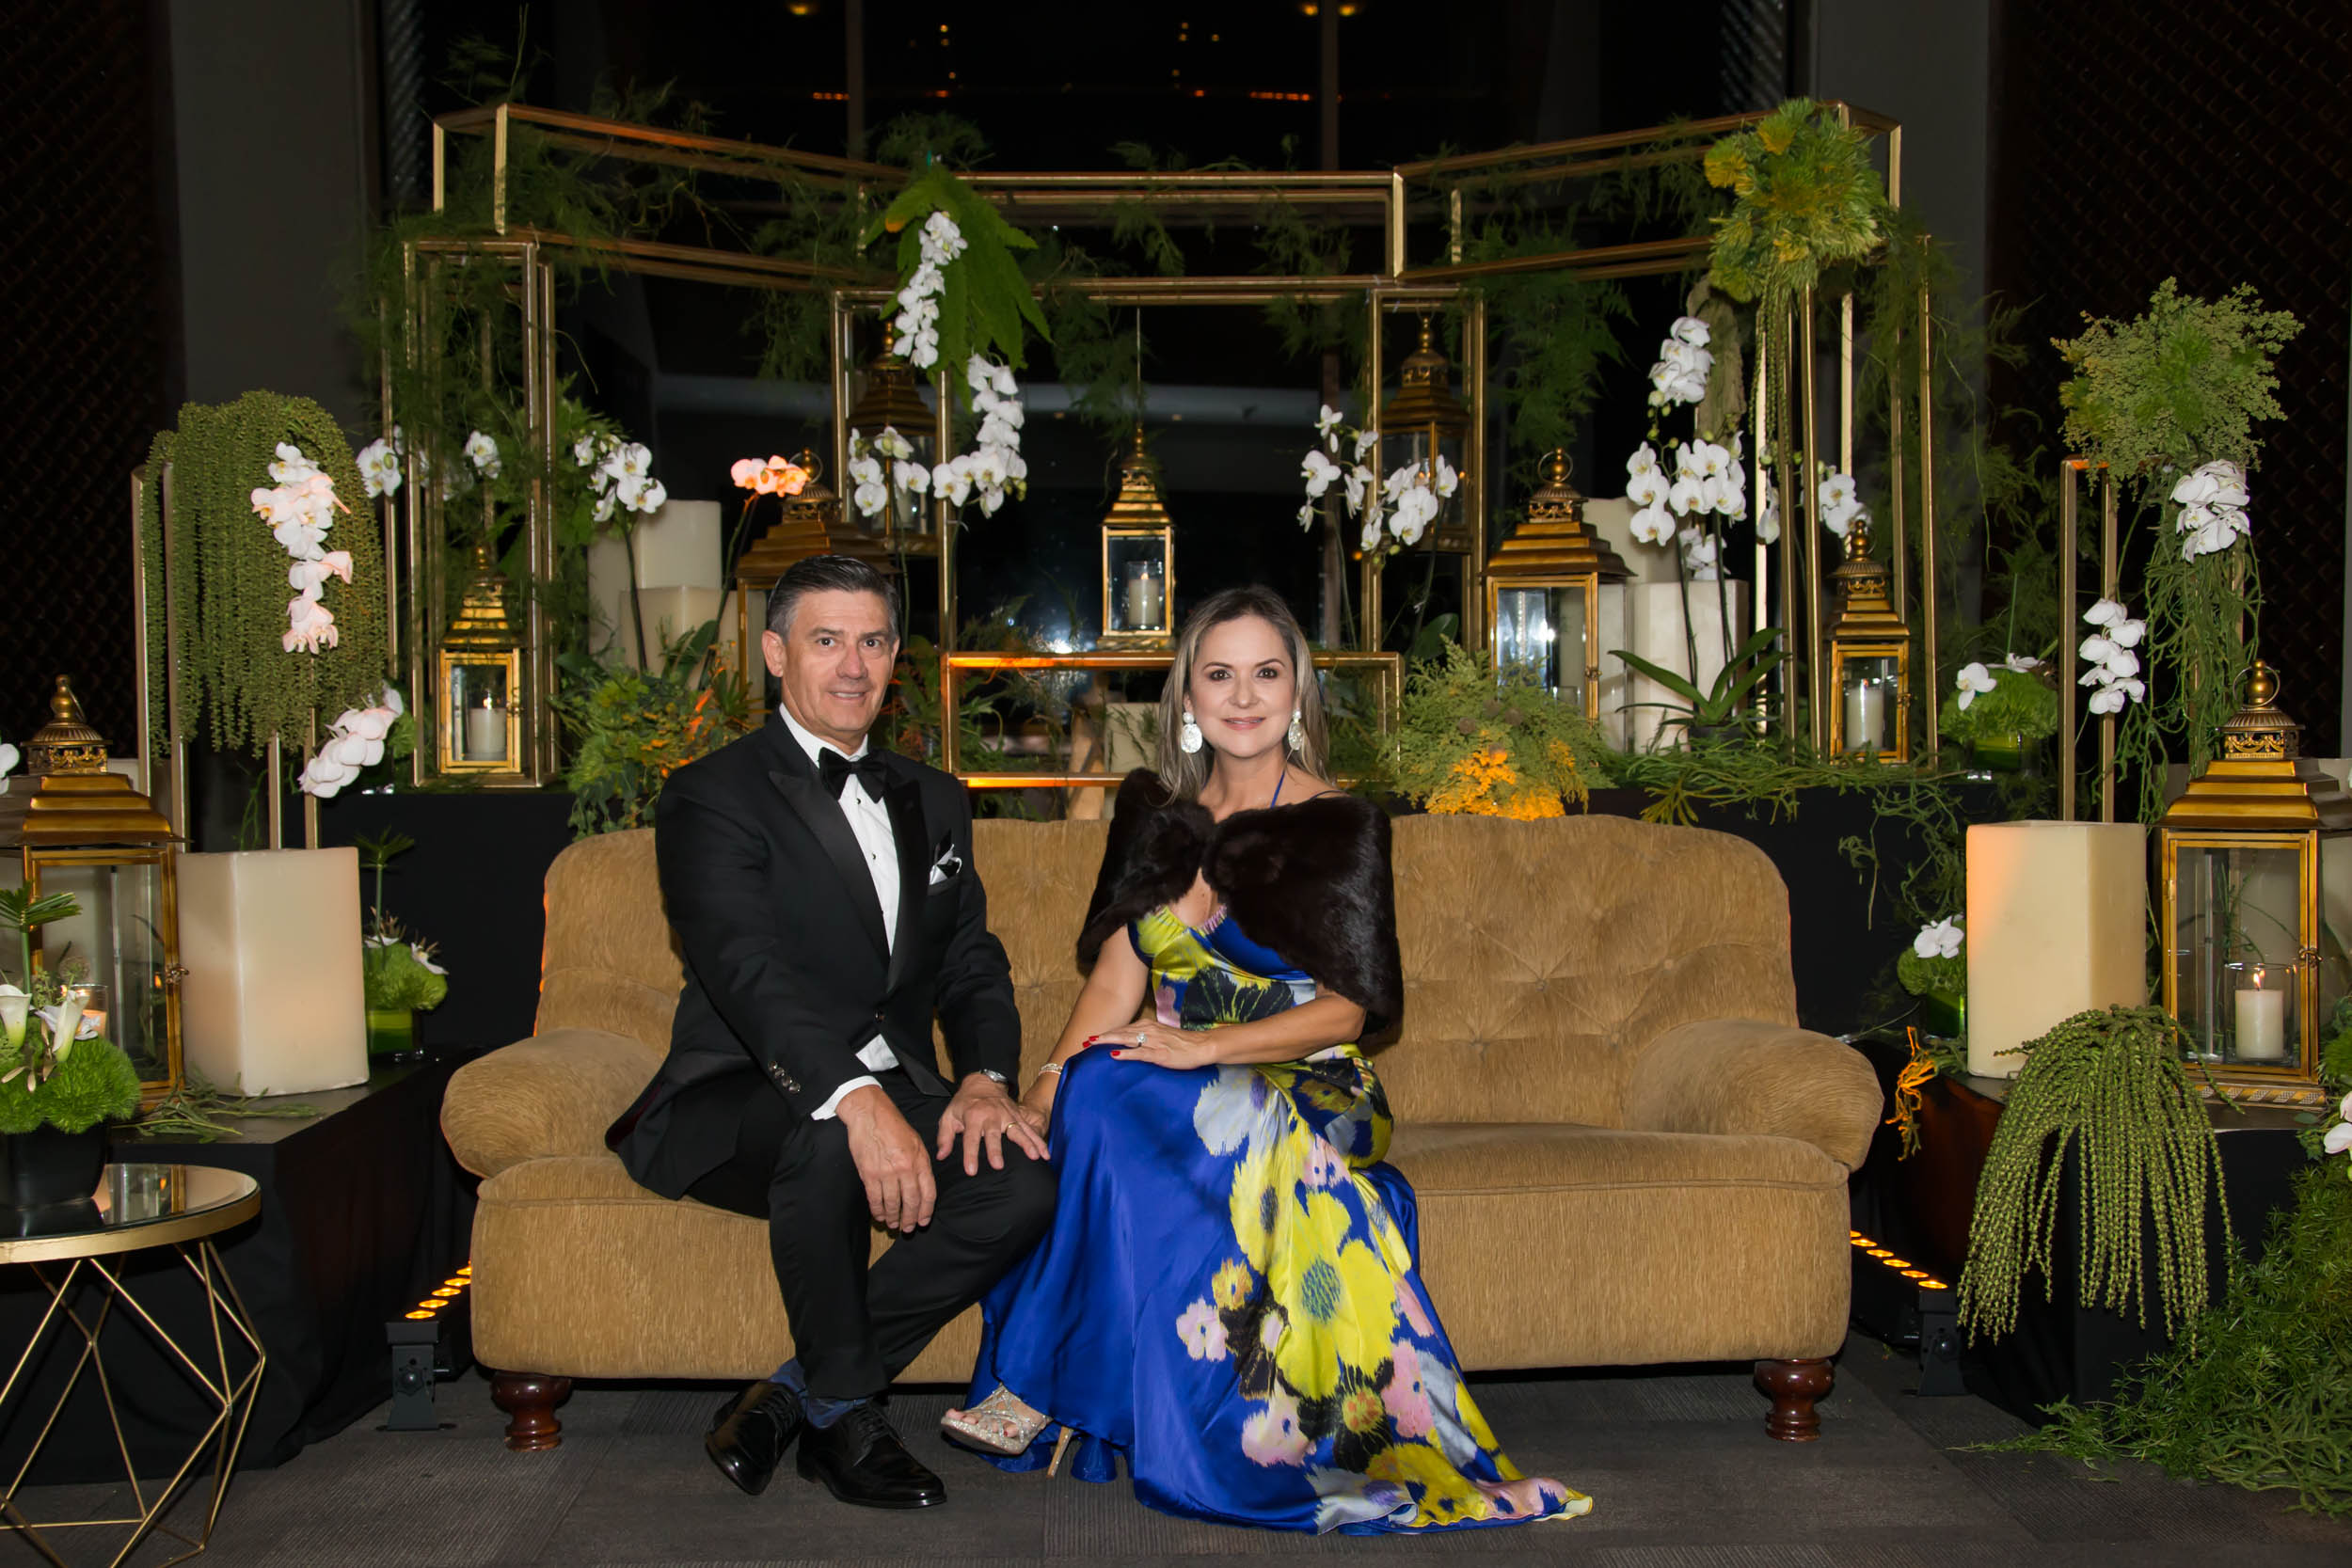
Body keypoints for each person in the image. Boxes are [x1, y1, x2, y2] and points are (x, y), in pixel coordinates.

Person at [942, 586, 1591, 1534]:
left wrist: (1200, 1044)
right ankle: (1054, 1377)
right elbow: (1115, 986)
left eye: (1266, 673)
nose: (1242, 696)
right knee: (1096, 1077)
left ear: (1296, 694)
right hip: (1168, 1073)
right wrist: (1042, 1091)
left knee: (1119, 1080)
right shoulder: (1152, 818)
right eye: (1219, 674)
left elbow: (1346, 1009)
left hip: (1306, 1077)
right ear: (1187, 698)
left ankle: (1032, 1382)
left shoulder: (1338, 824)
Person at [607, 554, 1054, 1510]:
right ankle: (847, 1415)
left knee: (1022, 1182)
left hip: (899, 1080)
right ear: (775, 654)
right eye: (826, 640)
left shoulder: (934, 796)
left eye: (873, 641)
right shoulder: (709, 794)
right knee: (829, 1136)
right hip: (740, 1093)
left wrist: (983, 1076)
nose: (853, 665)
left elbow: (970, 959)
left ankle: (788, 1395)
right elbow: (747, 972)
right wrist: (854, 1097)